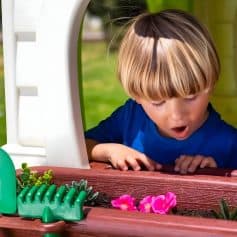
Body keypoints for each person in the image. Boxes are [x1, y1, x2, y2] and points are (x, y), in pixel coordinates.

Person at [85, 9, 237, 174]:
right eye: (158, 102)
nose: (176, 115)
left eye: (191, 97)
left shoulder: (228, 142)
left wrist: (214, 171)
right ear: (136, 95)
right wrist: (109, 151)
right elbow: (81, 145)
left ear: (212, 83)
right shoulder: (131, 117)